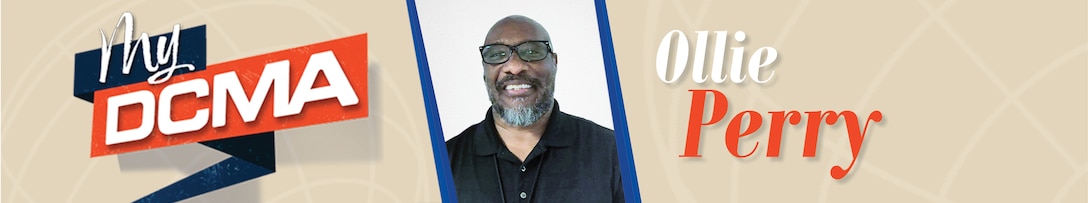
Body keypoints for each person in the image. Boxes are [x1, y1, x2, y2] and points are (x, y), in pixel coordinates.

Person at [445, 15, 625, 203]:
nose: (515, 67)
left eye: (531, 51)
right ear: (484, 70)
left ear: (554, 62)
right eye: (497, 54)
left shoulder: (615, 153)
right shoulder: (444, 162)